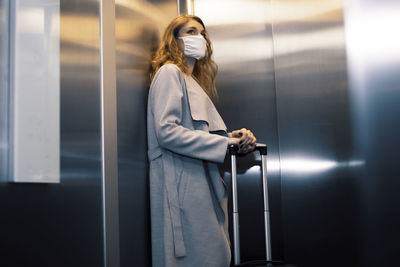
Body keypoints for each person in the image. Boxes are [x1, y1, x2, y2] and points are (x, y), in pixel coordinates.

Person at [147, 15, 257, 267]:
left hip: (201, 185)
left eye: (203, 33)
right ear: (175, 40)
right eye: (191, 31)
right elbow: (166, 131)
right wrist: (224, 145)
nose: (200, 38)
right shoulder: (169, 73)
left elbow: (197, 133)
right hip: (182, 186)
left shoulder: (192, 83)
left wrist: (234, 138)